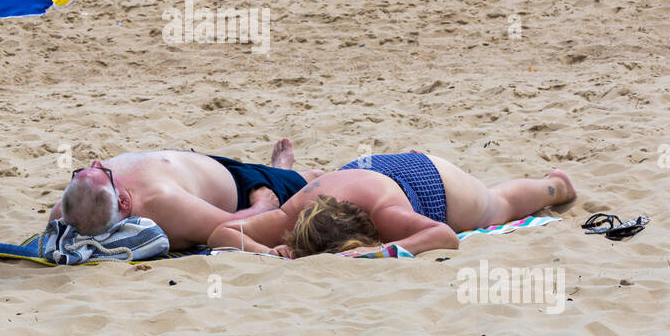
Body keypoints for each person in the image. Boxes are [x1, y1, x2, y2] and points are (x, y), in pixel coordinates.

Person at [202, 150, 576, 257]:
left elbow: (444, 235)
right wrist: (262, 252)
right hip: (360, 171)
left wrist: (387, 251)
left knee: (498, 205)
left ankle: (555, 186)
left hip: (428, 179)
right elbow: (221, 232)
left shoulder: (386, 215)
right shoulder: (295, 213)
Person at [53, 140, 321, 244]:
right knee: (316, 180)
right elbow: (234, 227)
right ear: (124, 203)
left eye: (85, 172)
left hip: (199, 167)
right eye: (105, 173)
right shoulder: (163, 203)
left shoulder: (70, 208)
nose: (98, 163)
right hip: (241, 185)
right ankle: (280, 170)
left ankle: (276, 169)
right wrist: (262, 205)